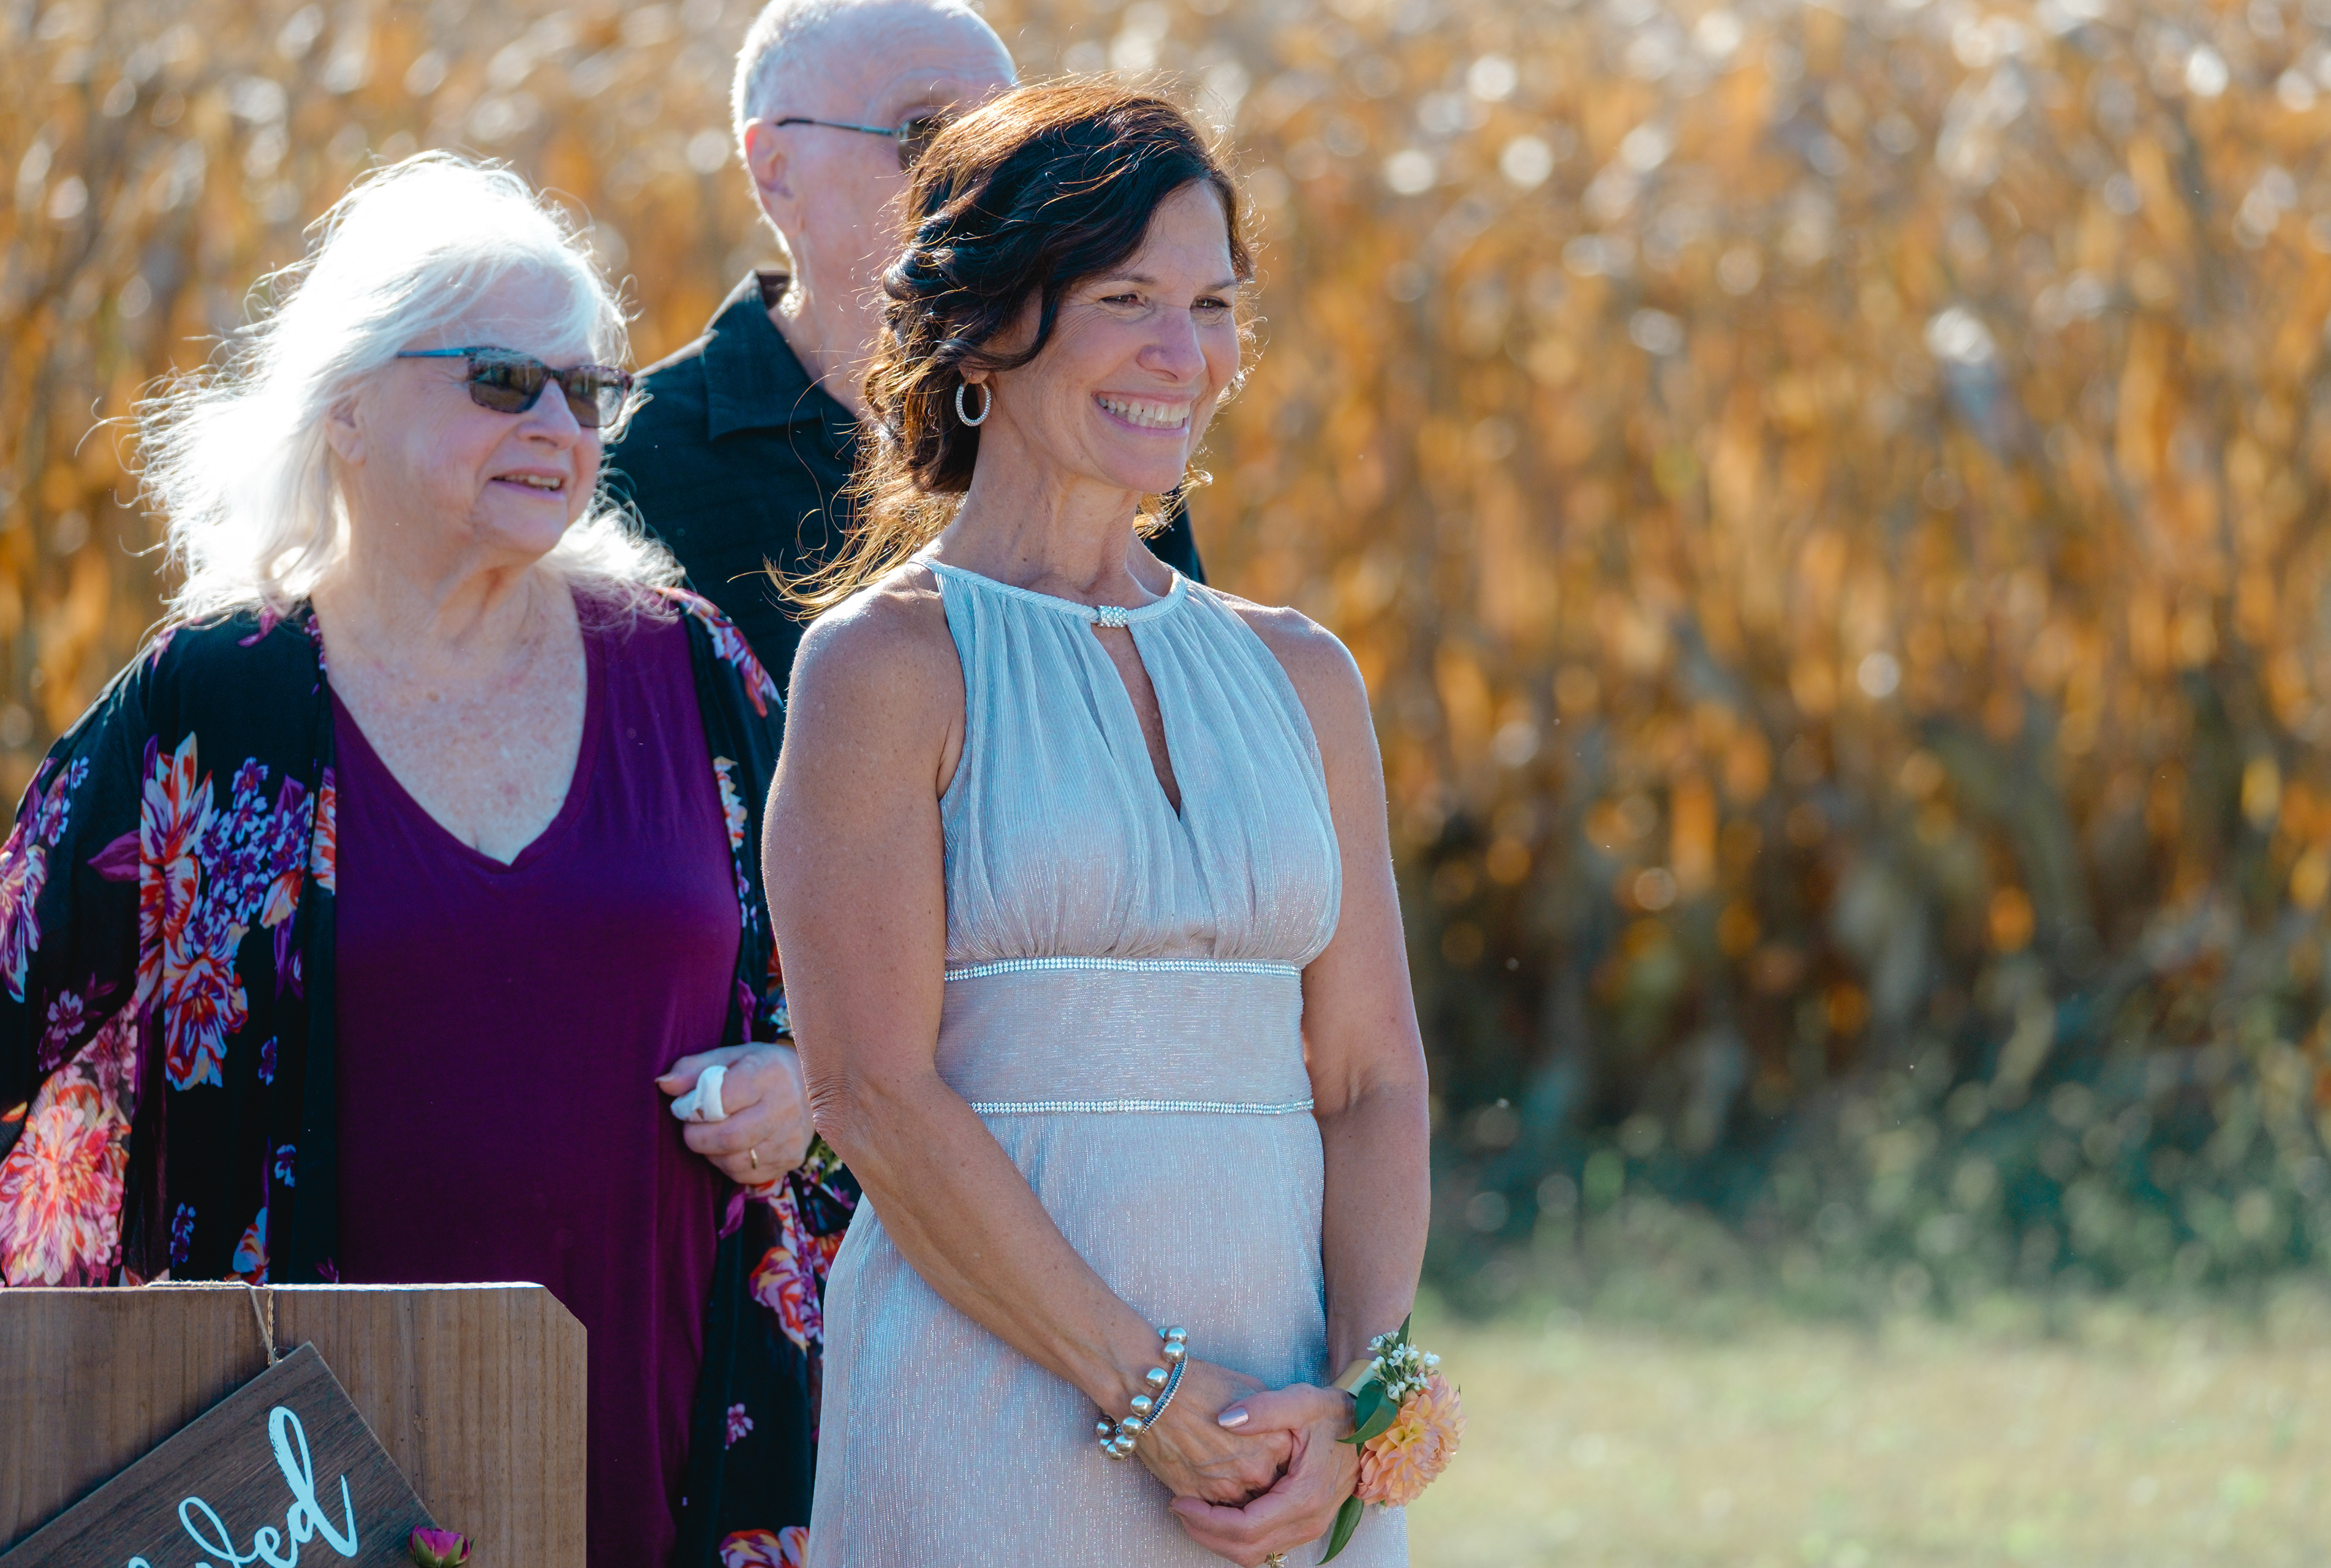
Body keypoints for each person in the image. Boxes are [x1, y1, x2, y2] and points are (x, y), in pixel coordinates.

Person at [0, 155, 842, 1568]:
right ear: (345, 402)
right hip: (302, 1484)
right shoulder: (217, 699)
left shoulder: (693, 668)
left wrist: (802, 1085)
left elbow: (863, 998)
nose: (558, 425)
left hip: (672, 1450)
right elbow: (18, 993)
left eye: (588, 392)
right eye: (504, 381)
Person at [769, 83, 1430, 1566]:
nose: (1182, 355)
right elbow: (870, 1089)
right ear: (982, 330)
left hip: (1288, 1442)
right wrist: (1146, 1391)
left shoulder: (1303, 674)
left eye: (1212, 305)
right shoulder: (884, 666)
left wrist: (1357, 1400)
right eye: (1126, 298)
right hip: (994, 1421)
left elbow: (1372, 1075)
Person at [605, 0, 1207, 695]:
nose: (986, 183)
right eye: (924, 133)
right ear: (776, 169)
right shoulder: (627, 457)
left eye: (1014, 148)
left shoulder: (1097, 410)